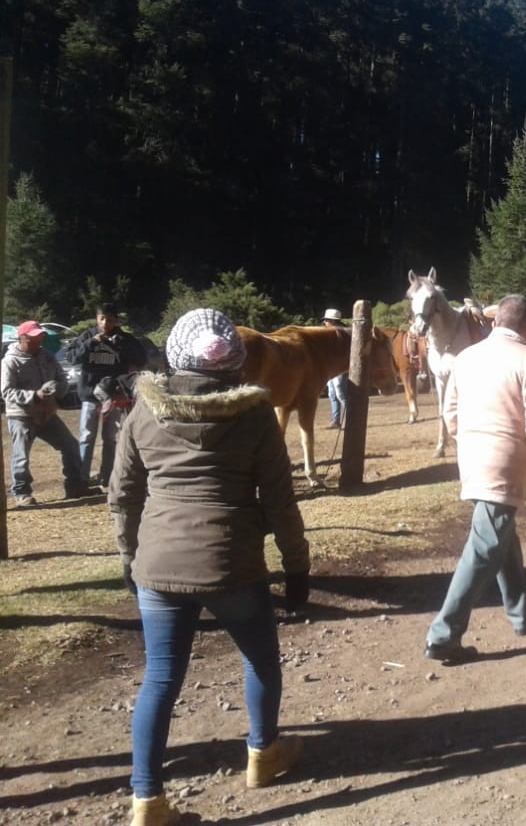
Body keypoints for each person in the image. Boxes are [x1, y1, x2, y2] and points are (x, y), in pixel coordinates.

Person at [109, 308, 310, 826]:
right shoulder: (256, 414)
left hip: (158, 564)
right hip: (234, 561)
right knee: (261, 660)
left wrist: (130, 558)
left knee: (160, 679)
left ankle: (147, 800)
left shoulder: (143, 412)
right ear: (234, 360)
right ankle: (263, 755)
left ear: (175, 352)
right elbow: (282, 499)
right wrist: (296, 565)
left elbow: (123, 496)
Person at [425, 294, 526, 664]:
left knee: (503, 536)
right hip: (506, 461)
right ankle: (443, 634)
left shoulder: (466, 357)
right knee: (486, 546)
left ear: (495, 320)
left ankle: (521, 615)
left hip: (472, 458)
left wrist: (465, 440)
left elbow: (448, 410)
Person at [1, 320, 88, 506]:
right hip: (21, 416)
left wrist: (60, 389)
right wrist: (35, 395)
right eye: (33, 338)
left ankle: (75, 485)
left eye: (40, 337)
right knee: (21, 456)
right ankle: (22, 493)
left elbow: (61, 377)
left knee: (71, 446)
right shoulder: (10, 361)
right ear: (22, 338)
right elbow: (6, 391)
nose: (38, 341)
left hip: (48, 414)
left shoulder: (47, 356)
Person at [64, 303, 147, 487]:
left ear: (116, 320)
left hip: (114, 395)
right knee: (87, 436)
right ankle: (82, 478)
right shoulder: (87, 336)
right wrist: (91, 343)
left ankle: (107, 477)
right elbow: (71, 357)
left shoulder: (125, 339)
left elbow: (142, 359)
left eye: (109, 319)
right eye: (102, 319)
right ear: (97, 319)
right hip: (90, 394)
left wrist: (123, 349)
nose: (105, 323)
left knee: (110, 438)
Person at [321, 308, 347, 428]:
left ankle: (348, 419)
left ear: (332, 321)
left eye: (327, 320)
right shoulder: (333, 333)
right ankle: (336, 420)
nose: (325, 322)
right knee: (333, 393)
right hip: (331, 368)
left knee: (340, 393)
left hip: (337, 368)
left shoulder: (341, 333)